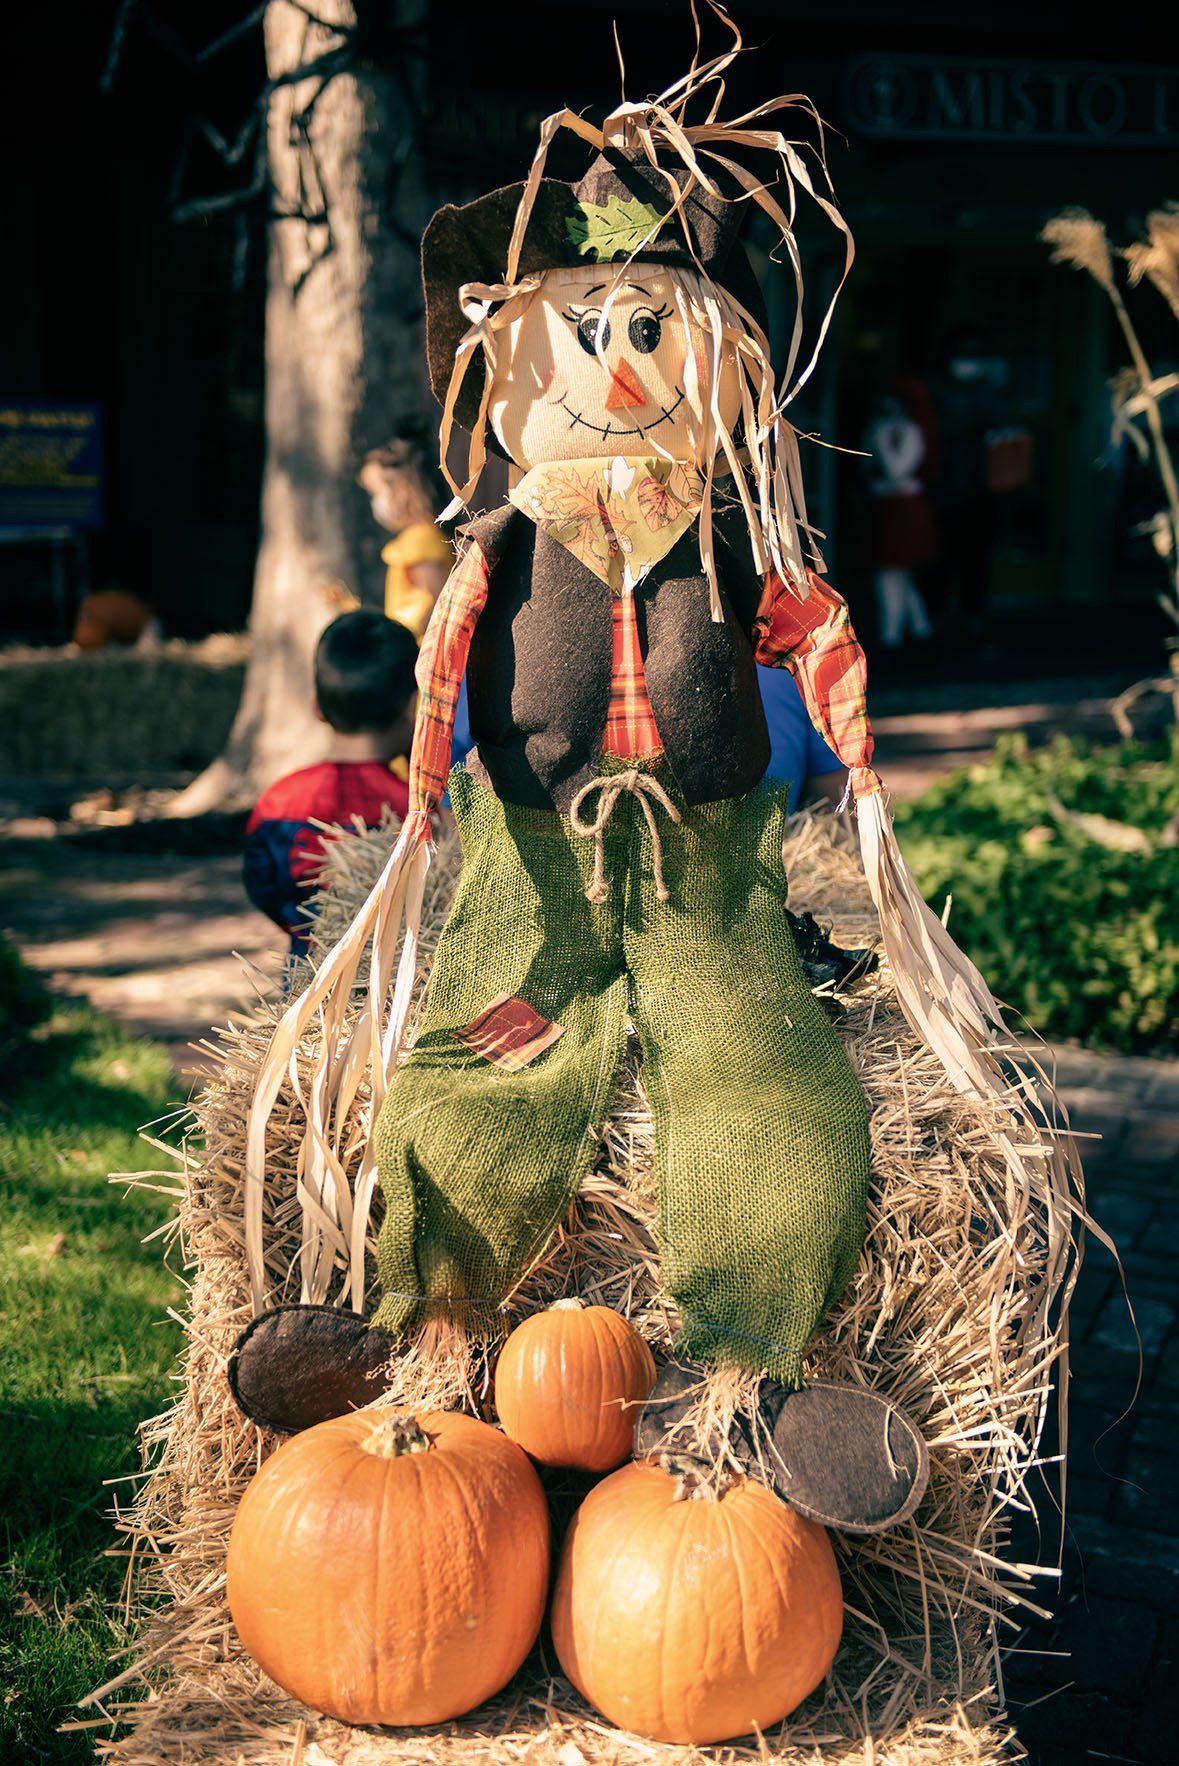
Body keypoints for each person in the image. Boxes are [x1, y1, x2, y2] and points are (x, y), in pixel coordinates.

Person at [243, 610, 418, 957]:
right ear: (414, 706)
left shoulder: (278, 801)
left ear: (316, 706)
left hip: (308, 973)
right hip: (401, 984)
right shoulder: (414, 807)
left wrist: (304, 931)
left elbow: (261, 883)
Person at [861, 384, 937, 652]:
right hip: (885, 506)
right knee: (896, 574)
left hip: (905, 506)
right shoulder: (877, 430)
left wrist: (880, 439)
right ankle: (919, 631)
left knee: (892, 572)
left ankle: (891, 635)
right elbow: (866, 468)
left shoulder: (911, 432)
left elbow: (897, 471)